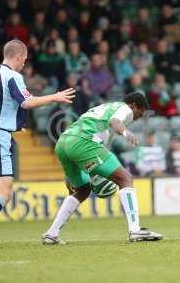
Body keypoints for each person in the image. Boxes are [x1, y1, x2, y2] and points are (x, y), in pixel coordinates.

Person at [42, 92, 163, 244]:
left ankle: (51, 234)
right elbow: (115, 121)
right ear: (133, 105)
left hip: (63, 143)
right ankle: (135, 230)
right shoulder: (123, 108)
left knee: (83, 190)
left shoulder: (105, 109)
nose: (136, 119)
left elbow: (99, 146)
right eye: (138, 114)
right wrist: (125, 132)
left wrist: (73, 174)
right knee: (125, 178)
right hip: (83, 141)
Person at [0, 39, 75, 248]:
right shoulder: (12, 75)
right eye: (24, 59)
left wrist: (16, 122)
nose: (24, 64)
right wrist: (55, 96)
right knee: (4, 191)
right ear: (18, 56)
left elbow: (2, 105)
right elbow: (27, 102)